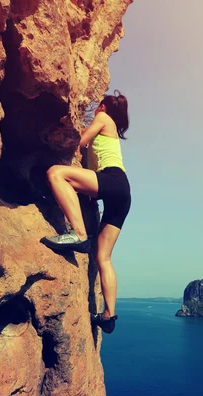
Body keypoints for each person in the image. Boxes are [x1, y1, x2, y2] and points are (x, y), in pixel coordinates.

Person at [40, 91, 131, 334]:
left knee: (55, 173)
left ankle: (78, 234)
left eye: (97, 107)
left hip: (111, 180)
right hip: (122, 193)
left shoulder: (104, 119)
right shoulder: (110, 132)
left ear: (102, 107)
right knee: (103, 257)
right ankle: (109, 315)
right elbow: (89, 174)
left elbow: (79, 140)